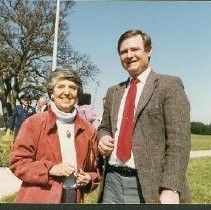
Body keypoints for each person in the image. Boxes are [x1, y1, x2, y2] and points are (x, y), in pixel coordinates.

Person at [97, 29, 191, 204]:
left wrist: (170, 187)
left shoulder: (169, 86)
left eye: (135, 49)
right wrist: (102, 137)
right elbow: (104, 127)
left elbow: (179, 142)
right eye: (124, 52)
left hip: (148, 185)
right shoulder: (113, 92)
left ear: (148, 51)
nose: (129, 55)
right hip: (111, 181)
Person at [9, 68, 100, 203]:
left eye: (72, 88)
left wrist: (89, 178)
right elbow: (18, 163)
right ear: (51, 93)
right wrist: (50, 169)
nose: (67, 92)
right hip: (38, 198)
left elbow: (94, 170)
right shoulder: (33, 123)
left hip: (73, 197)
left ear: (77, 94)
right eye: (61, 87)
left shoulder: (89, 129)